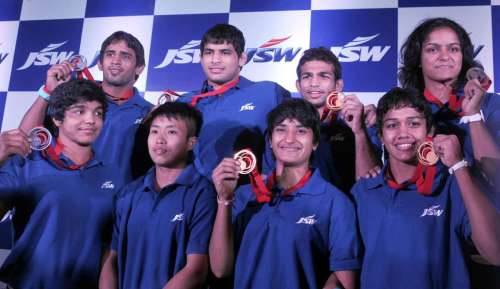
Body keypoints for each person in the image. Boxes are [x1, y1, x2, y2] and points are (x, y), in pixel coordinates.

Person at [352, 87, 500, 289]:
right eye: (392, 125)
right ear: (380, 135)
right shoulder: (365, 191)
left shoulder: (452, 184)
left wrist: (458, 166)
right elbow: (346, 260)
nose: (403, 133)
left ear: (430, 131)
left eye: (413, 123)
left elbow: (496, 252)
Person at [210, 99, 361, 289]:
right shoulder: (243, 195)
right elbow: (220, 269)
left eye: (301, 130)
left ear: (315, 142)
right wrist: (224, 199)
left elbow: (346, 281)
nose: (289, 139)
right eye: (281, 129)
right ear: (270, 141)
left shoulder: (335, 202)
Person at [0, 79, 126, 289]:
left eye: (98, 113)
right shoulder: (27, 165)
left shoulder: (113, 174)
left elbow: (109, 249)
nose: (91, 120)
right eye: (79, 111)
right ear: (57, 118)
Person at [99, 102, 216, 289]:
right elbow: (112, 259)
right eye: (154, 131)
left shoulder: (203, 194)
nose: (159, 140)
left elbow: (196, 269)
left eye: (171, 132)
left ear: (191, 143)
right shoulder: (128, 193)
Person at [19, 31, 153, 182]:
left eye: (125, 56)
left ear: (139, 68)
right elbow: (24, 138)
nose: (116, 60)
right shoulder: (73, 98)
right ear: (100, 63)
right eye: (110, 54)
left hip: (118, 201)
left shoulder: (150, 113)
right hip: (67, 190)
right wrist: (47, 92)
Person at [177, 23, 290, 181]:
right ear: (201, 58)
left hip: (252, 197)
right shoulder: (184, 102)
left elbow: (298, 135)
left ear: (242, 58)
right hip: (195, 199)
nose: (215, 60)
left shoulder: (268, 93)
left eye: (225, 52)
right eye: (209, 52)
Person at [399, 17, 499, 171]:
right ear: (418, 58)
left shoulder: (491, 105)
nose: (445, 57)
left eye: (453, 49)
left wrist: (473, 116)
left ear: (462, 56)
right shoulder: (403, 111)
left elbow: (496, 176)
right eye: (433, 49)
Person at [295, 47, 380, 192]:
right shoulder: (288, 127)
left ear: (338, 85)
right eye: (307, 76)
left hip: (350, 210)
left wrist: (358, 131)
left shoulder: (361, 122)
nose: (314, 83)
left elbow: (372, 181)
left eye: (323, 76)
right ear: (298, 85)